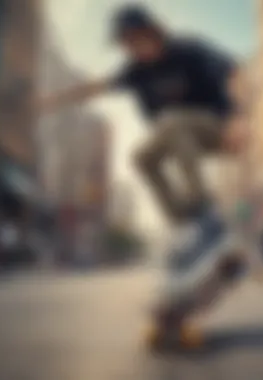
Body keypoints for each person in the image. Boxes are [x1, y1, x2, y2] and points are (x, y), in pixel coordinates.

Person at [40, 5, 243, 240]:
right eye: (126, 45)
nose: (131, 50)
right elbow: (95, 88)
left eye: (134, 41)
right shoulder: (135, 71)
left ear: (152, 32)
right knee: (142, 157)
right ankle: (186, 225)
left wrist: (237, 119)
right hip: (177, 135)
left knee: (172, 120)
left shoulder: (188, 50)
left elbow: (234, 71)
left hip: (218, 128)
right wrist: (51, 102)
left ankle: (207, 214)